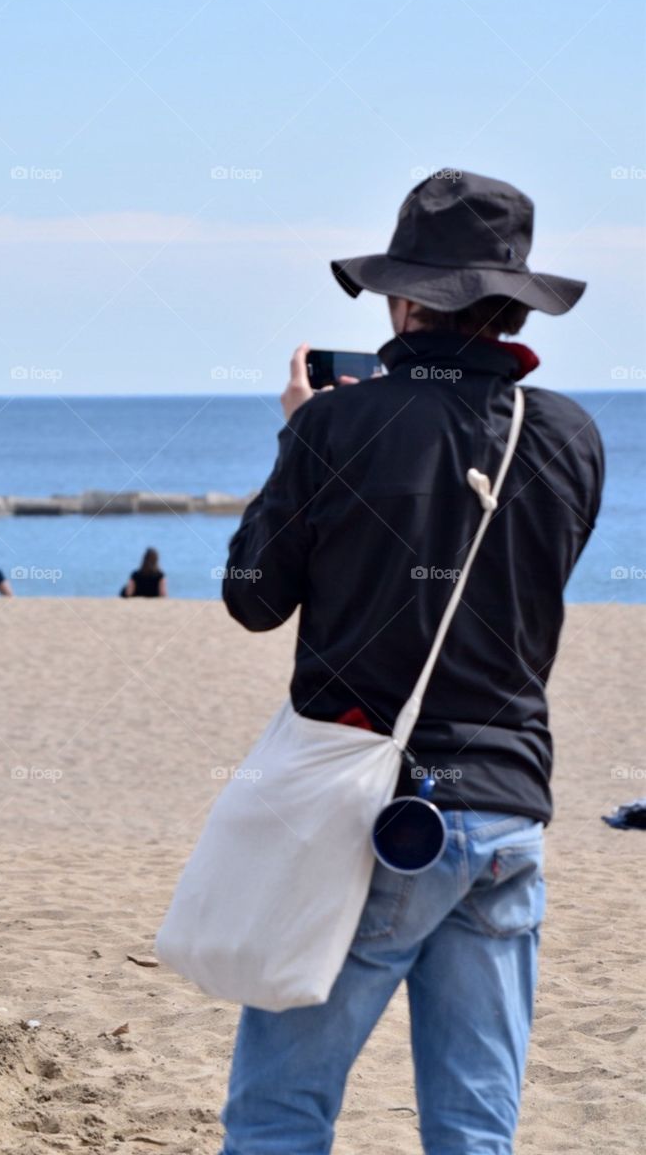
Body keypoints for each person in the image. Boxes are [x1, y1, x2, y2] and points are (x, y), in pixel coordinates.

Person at [218, 171, 604, 1155]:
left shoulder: (337, 425)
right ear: (512, 298)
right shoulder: (569, 435)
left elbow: (253, 597)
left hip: (372, 811)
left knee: (279, 1113)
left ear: (404, 297)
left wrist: (302, 434)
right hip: (510, 807)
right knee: (475, 1129)